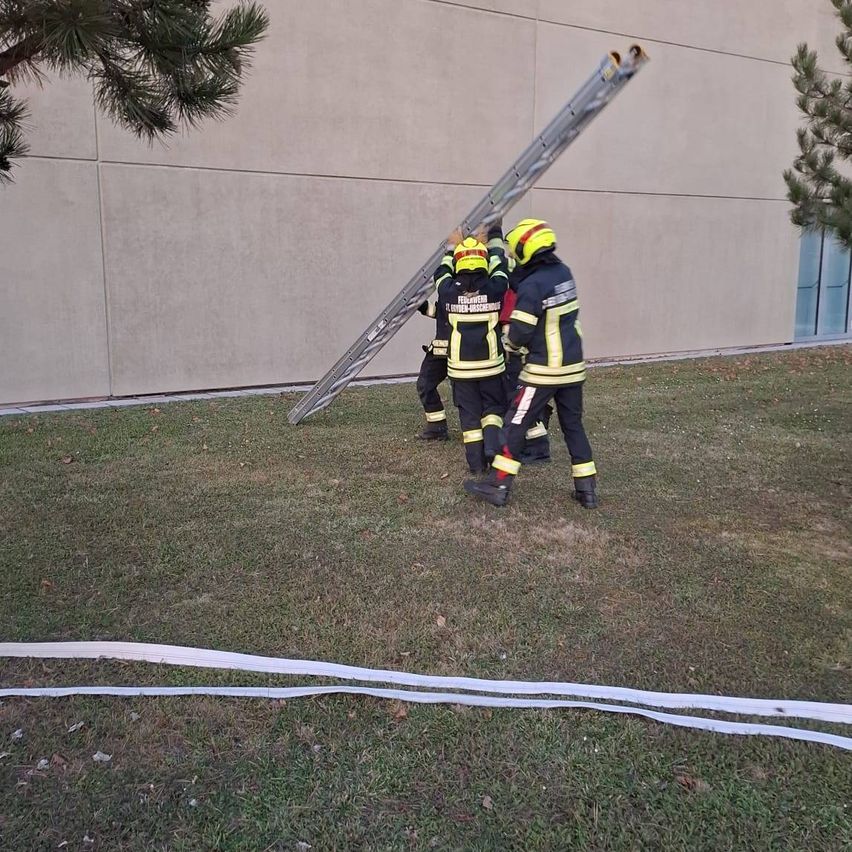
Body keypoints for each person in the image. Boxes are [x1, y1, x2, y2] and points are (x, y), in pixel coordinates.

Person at [463, 218, 598, 508]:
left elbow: (521, 332)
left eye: (515, 251)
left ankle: (498, 485)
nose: (513, 255)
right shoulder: (564, 272)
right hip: (574, 368)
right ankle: (587, 490)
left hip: (543, 371)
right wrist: (497, 243)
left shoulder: (533, 285)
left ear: (526, 250)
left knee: (514, 424)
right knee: (573, 425)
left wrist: (507, 344)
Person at [434, 224, 510, 473]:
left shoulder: (447, 291)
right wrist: (490, 240)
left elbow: (442, 272)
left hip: (461, 369)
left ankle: (476, 465)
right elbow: (499, 263)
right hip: (491, 366)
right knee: (493, 409)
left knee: (469, 417)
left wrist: (453, 246)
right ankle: (492, 447)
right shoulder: (496, 287)